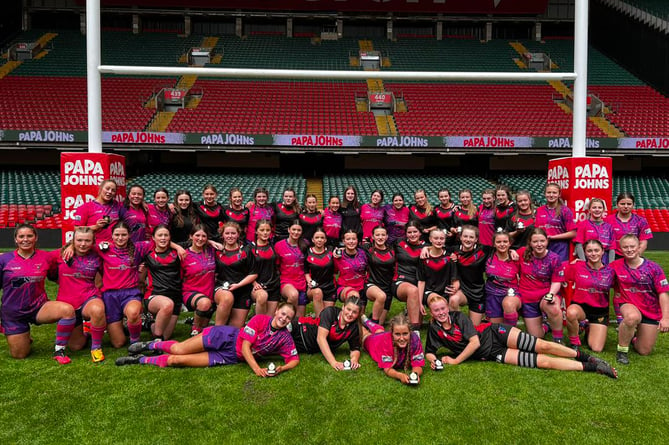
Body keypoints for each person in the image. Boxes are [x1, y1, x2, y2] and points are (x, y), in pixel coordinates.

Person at [424, 295, 617, 378]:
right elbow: (429, 352)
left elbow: (474, 343)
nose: (441, 313)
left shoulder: (458, 317)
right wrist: (435, 361)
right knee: (544, 363)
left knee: (543, 346)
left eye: (442, 308)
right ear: (431, 313)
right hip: (493, 352)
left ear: (448, 307)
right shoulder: (434, 329)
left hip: (497, 334)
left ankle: (587, 357)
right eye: (436, 310)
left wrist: (456, 360)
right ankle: (594, 367)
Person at [116, 303, 299, 376]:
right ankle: (151, 344)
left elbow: (294, 360)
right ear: (276, 311)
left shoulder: (284, 337)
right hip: (225, 337)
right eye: (282, 313)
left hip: (230, 356)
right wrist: (257, 369)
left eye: (288, 317)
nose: (284, 318)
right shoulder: (260, 319)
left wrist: (282, 368)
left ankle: (138, 359)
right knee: (178, 349)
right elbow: (245, 347)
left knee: (176, 360)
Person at [0, 224, 76, 363]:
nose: (25, 239)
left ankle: (59, 350)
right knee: (20, 354)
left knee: (67, 310)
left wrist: (71, 246)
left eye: (29, 236)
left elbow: (55, 273)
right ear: (15, 239)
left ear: (36, 238)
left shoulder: (46, 257)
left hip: (38, 307)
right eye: (21, 236)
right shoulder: (4, 259)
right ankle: (22, 335)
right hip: (13, 313)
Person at [92, 221, 154, 347]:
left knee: (133, 313)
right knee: (118, 343)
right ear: (112, 235)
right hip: (110, 296)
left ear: (129, 235)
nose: (120, 238)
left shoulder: (137, 248)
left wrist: (178, 247)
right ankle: (123, 328)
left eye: (124, 235)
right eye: (117, 235)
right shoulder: (104, 248)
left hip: (130, 293)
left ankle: (135, 342)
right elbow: (83, 243)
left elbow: (159, 240)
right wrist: (70, 247)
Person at [610, 234, 669, 365]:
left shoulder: (654, 268)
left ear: (639, 248)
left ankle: (632, 337)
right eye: (625, 247)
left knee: (644, 350)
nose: (629, 250)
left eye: (632, 246)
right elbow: (599, 276)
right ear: (620, 249)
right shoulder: (615, 266)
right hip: (628, 303)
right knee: (632, 317)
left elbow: (663, 293)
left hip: (650, 309)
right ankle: (622, 350)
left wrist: (666, 318)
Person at [502, 228, 565, 342]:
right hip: (526, 298)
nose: (539, 244)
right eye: (535, 242)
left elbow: (557, 281)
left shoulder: (554, 258)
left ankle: (558, 338)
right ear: (530, 243)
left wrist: (550, 295)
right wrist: (511, 251)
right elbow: (502, 250)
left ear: (547, 241)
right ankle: (546, 327)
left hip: (545, 295)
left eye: (542, 241)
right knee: (537, 337)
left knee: (553, 307)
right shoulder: (522, 253)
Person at [53, 227, 106, 362]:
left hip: (88, 297)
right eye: (79, 240)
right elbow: (39, 259)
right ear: (73, 240)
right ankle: (87, 332)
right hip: (67, 304)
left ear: (93, 241)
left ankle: (96, 347)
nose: (83, 244)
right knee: (76, 346)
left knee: (97, 309)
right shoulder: (60, 254)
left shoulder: (98, 255)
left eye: (87, 240)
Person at [564, 239, 614, 352]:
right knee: (571, 312)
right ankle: (574, 342)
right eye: (589, 251)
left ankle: (587, 327)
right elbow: (557, 272)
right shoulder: (577, 266)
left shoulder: (611, 271)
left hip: (600, 311)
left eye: (596, 250)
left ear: (602, 252)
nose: (593, 254)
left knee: (597, 348)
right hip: (581, 307)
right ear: (585, 253)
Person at [289, 296, 363, 371]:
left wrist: (354, 359)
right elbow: (321, 338)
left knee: (284, 349)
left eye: (354, 312)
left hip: (305, 347)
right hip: (299, 329)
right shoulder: (330, 312)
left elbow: (355, 349)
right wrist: (333, 362)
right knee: (278, 333)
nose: (350, 314)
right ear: (343, 307)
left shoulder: (354, 327)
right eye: (348, 309)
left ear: (358, 314)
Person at [212, 222, 257, 327]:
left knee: (234, 329)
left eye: (233, 233)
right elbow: (196, 240)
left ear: (238, 234)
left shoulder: (246, 251)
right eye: (227, 233)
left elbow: (253, 274)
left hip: (242, 290)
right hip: (222, 288)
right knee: (227, 299)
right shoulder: (217, 251)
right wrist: (210, 241)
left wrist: (238, 285)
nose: (230, 236)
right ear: (222, 235)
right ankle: (216, 333)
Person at [142, 225, 182, 341]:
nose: (163, 238)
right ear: (153, 238)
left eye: (166, 235)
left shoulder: (177, 252)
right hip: (155, 295)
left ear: (170, 238)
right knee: (166, 305)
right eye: (160, 235)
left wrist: (211, 242)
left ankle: (149, 324)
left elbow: (197, 239)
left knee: (166, 336)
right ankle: (157, 343)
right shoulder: (147, 254)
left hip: (175, 297)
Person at [446, 225, 492, 326]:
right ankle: (455, 329)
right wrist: (426, 249)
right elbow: (436, 247)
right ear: (460, 237)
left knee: (474, 329)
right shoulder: (453, 250)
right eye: (465, 236)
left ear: (476, 239)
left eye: (471, 237)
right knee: (453, 299)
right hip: (462, 290)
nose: (468, 239)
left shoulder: (483, 250)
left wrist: (511, 251)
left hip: (478, 292)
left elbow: (500, 248)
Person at [361, 314, 424, 385]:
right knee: (365, 334)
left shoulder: (415, 339)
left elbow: (418, 363)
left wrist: (415, 374)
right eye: (397, 334)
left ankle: (366, 320)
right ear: (392, 333)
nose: (402, 338)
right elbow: (387, 368)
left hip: (383, 335)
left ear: (410, 332)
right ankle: (361, 321)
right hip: (375, 342)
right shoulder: (386, 342)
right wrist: (400, 376)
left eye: (405, 334)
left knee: (379, 331)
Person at [180, 224, 217, 336]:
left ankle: (199, 329)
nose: (200, 239)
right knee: (204, 303)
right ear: (191, 236)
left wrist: (213, 243)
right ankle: (194, 330)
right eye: (197, 235)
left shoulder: (211, 251)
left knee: (204, 330)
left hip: (209, 292)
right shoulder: (183, 254)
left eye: (203, 236)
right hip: (191, 292)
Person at [417, 229, 459, 318]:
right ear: (430, 239)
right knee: (439, 303)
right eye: (436, 238)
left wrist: (454, 289)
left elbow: (455, 280)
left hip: (445, 292)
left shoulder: (449, 258)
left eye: (441, 238)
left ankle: (455, 323)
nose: (439, 241)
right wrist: (419, 303)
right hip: (429, 292)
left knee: (452, 302)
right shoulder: (424, 258)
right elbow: (421, 281)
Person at [392, 221, 426, 332]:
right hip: (400, 281)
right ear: (405, 233)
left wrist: (428, 248)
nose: (412, 235)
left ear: (420, 233)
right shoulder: (398, 243)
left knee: (418, 322)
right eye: (409, 232)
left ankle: (409, 319)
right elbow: (379, 244)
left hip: (418, 283)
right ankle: (415, 334)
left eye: (415, 232)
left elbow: (445, 250)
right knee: (413, 290)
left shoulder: (426, 246)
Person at [484, 231, 520, 325]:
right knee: (497, 329)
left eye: (505, 241)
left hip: (510, 294)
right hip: (492, 295)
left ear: (510, 243)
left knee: (508, 305)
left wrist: (513, 251)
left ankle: (513, 335)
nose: (502, 244)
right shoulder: (488, 255)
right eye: (498, 242)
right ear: (494, 244)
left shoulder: (516, 257)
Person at [535, 183, 576, 262]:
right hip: (542, 247)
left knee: (559, 273)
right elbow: (536, 230)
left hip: (560, 248)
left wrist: (553, 237)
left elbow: (573, 233)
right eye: (549, 192)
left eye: (554, 193)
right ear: (545, 194)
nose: (551, 195)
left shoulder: (565, 211)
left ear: (559, 194)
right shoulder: (539, 210)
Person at [363, 226, 396, 325]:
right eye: (377, 235)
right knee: (381, 296)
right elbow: (350, 245)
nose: (380, 237)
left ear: (387, 237)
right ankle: (371, 325)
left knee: (379, 324)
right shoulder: (367, 248)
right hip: (371, 284)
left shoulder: (393, 250)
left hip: (387, 287)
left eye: (383, 235)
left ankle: (371, 322)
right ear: (372, 237)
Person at [275, 221, 308, 317]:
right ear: (289, 230)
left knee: (299, 320)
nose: (296, 232)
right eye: (293, 229)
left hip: (301, 283)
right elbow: (275, 266)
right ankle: (284, 322)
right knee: (293, 295)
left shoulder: (305, 244)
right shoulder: (279, 245)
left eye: (299, 230)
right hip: (286, 281)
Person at [605, 192, 653, 259]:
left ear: (633, 205)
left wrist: (636, 256)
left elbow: (643, 242)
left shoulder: (641, 221)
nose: (626, 206)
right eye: (622, 204)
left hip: (633, 256)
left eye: (629, 204)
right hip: (613, 256)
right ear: (617, 204)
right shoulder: (608, 220)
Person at [249, 220, 281, 316]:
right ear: (256, 231)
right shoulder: (249, 249)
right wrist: (254, 283)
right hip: (257, 286)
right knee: (262, 298)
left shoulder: (273, 247)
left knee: (269, 320)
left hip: (273, 285)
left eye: (268, 230)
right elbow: (245, 270)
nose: (265, 232)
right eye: (262, 230)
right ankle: (257, 324)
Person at [304, 228, 336, 317]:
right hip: (315, 288)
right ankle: (318, 323)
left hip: (329, 288)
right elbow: (305, 271)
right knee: (318, 293)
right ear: (313, 240)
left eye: (322, 238)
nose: (319, 240)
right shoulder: (307, 252)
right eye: (317, 237)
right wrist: (309, 281)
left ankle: (317, 321)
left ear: (325, 240)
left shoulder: (331, 250)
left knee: (328, 316)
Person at [574, 198, 615, 265]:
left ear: (603, 210)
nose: (597, 210)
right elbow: (579, 245)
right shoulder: (583, 224)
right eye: (594, 207)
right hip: (588, 259)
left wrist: (611, 266)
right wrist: (584, 263)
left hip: (605, 261)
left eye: (600, 207)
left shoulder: (609, 227)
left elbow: (612, 248)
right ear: (589, 210)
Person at [333, 230, 368, 304]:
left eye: (353, 239)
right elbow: (333, 272)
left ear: (357, 240)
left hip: (361, 287)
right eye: (348, 239)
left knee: (358, 314)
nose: (351, 241)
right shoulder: (338, 255)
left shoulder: (363, 253)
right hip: (345, 287)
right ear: (343, 241)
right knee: (353, 299)